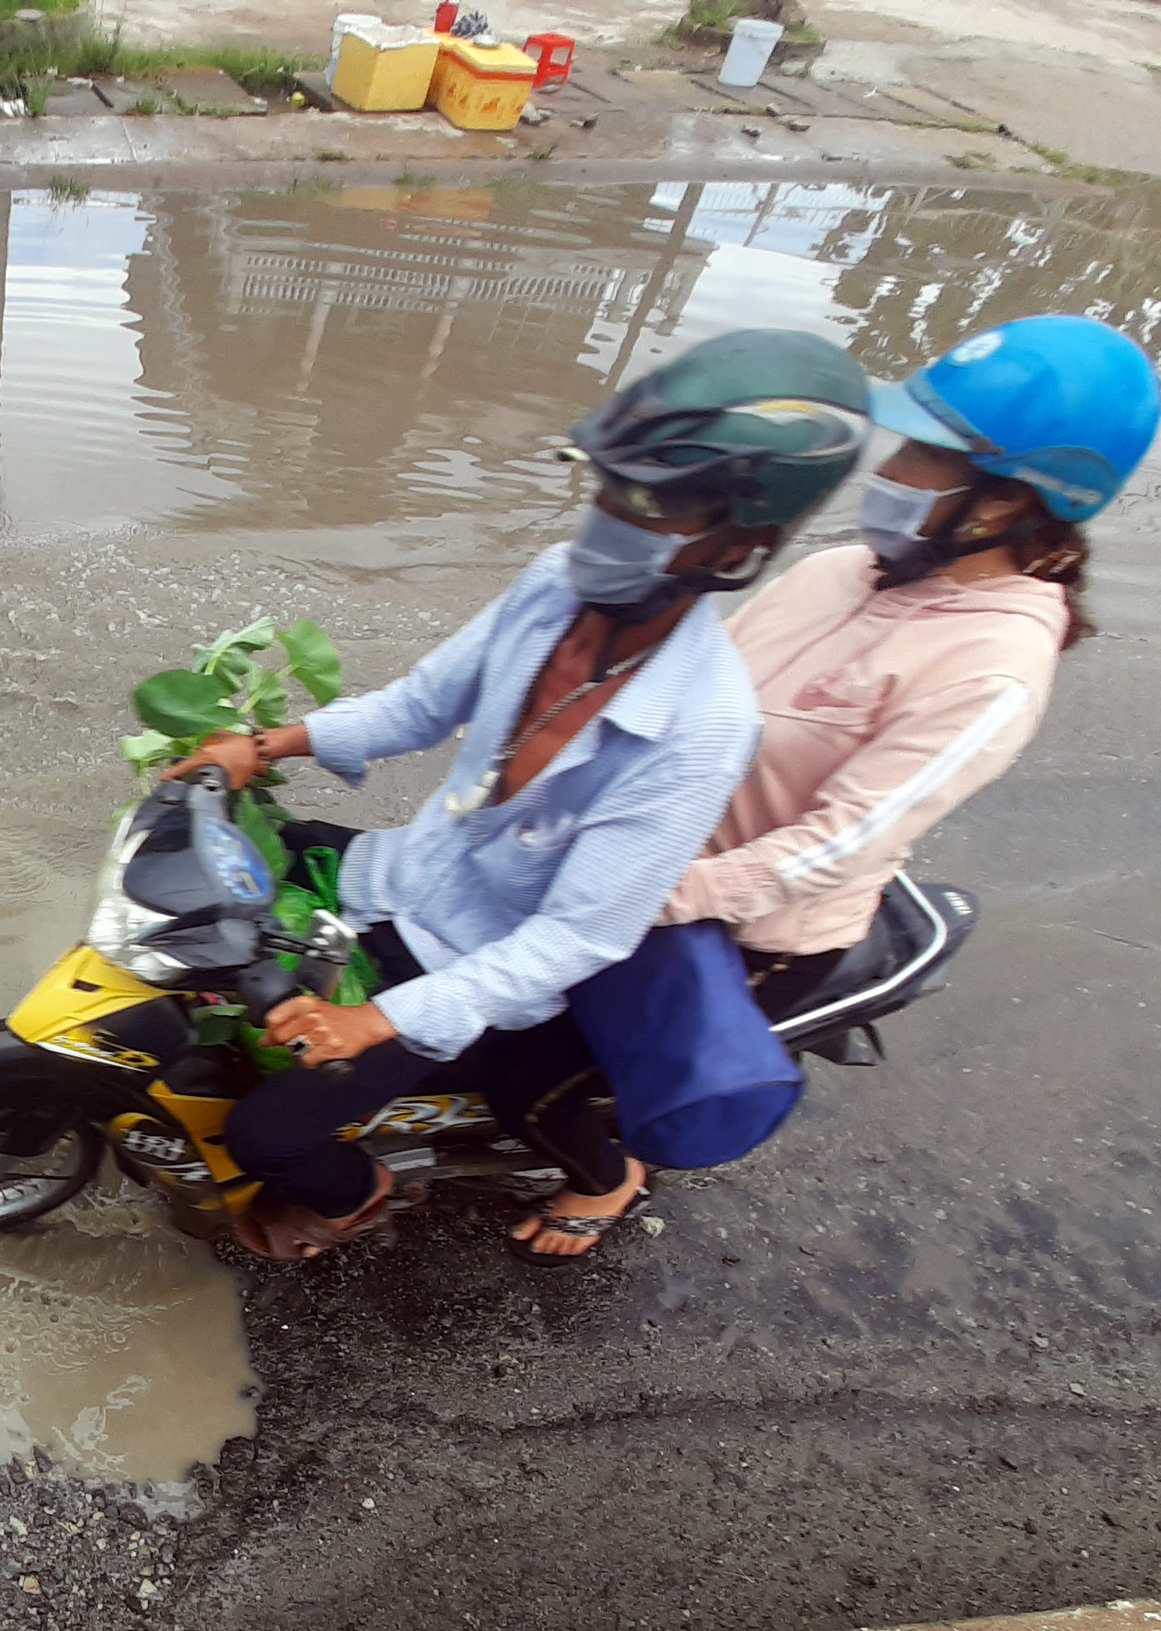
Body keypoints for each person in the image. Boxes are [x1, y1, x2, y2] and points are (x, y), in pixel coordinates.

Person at [168, 330, 874, 1261]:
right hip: (393, 876)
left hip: (466, 971)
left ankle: (353, 1194)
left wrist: (374, 1019)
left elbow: (574, 939)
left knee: (268, 1135)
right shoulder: (554, 583)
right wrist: (264, 745)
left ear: (740, 537)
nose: (608, 517)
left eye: (650, 502)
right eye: (607, 486)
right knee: (211, 896)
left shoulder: (701, 728)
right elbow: (421, 705)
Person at [487, 313, 1161, 1261]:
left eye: (925, 456)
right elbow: (686, 683)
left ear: (1006, 502)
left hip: (733, 922)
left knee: (525, 1078)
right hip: (632, 853)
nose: (889, 470)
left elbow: (834, 844)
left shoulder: (991, 667)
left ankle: (605, 1179)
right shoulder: (841, 568)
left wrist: (646, 897)